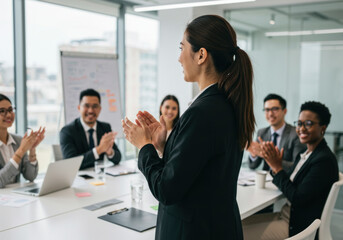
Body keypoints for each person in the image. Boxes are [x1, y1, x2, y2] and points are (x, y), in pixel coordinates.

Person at [122, 15, 255, 240]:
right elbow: (198, 170)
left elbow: (166, 190)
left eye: (182, 48)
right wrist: (163, 146)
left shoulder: (202, 112)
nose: (179, 58)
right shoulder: (225, 103)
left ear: (201, 55)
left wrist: (144, 146)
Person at [242, 101, 339, 240]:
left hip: (296, 224)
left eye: (309, 123)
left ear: (323, 128)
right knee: (236, 224)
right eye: (299, 123)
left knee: (238, 233)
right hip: (286, 214)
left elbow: (297, 198)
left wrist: (276, 166)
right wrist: (274, 162)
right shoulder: (309, 153)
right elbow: (293, 180)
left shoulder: (323, 160)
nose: (301, 128)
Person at [60, 88, 121, 170]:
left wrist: (109, 151)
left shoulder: (105, 127)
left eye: (95, 106)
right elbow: (71, 164)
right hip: (78, 179)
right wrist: (99, 149)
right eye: (86, 106)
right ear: (79, 108)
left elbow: (118, 158)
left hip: (100, 178)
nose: (91, 110)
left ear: (100, 109)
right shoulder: (67, 131)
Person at [247, 94, 306, 172]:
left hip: (286, 180)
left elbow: (299, 166)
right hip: (266, 179)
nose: (270, 114)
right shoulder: (262, 133)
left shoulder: (296, 134)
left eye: (275, 109)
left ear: (284, 111)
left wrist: (274, 161)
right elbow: (252, 166)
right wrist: (254, 154)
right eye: (267, 110)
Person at [0, 94, 45, 188]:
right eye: (2, 111)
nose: (8, 115)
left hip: (14, 197)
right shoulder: (20, 146)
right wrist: (20, 151)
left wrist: (32, 150)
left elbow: (31, 176)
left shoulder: (18, 140)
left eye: (10, 110)